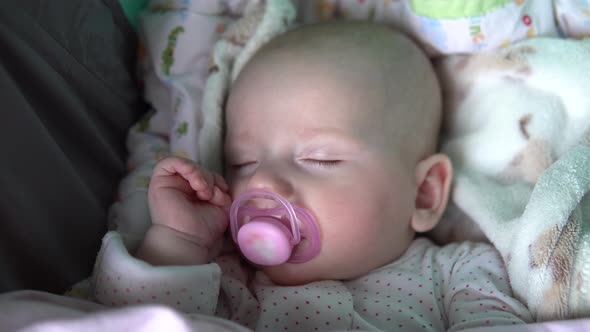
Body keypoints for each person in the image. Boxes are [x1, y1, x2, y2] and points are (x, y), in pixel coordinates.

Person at [91, 21, 533, 331]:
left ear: (423, 194)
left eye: (319, 159)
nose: (261, 184)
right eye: (243, 163)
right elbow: (129, 320)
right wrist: (177, 242)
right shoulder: (225, 282)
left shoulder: (459, 273)